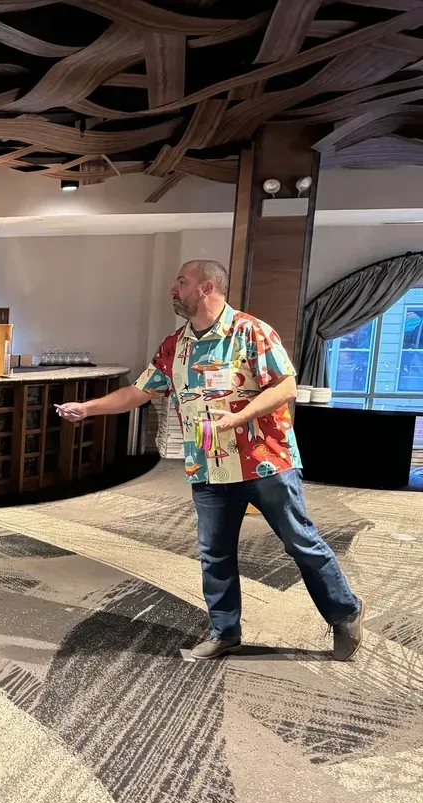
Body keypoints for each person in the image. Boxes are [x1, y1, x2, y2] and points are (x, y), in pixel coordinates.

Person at [56, 259, 364, 660]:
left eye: (181, 282)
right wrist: (88, 408)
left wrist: (239, 416)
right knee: (215, 553)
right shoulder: (175, 345)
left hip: (264, 461)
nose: (173, 289)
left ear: (206, 288)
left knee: (299, 541)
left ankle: (345, 612)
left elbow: (285, 386)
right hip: (207, 465)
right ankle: (225, 632)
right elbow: (138, 391)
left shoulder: (250, 331)